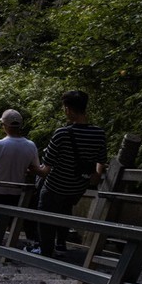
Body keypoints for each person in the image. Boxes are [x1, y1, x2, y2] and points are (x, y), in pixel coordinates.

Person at [32, 91, 108, 257]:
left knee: (45, 214)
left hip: (55, 186)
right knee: (65, 207)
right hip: (77, 188)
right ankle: (61, 244)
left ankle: (45, 250)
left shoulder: (62, 133)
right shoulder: (99, 134)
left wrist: (30, 167)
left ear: (68, 109)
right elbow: (101, 161)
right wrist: (93, 176)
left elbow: (45, 170)